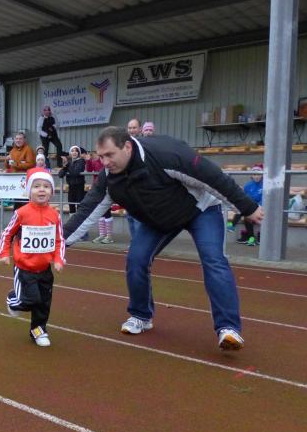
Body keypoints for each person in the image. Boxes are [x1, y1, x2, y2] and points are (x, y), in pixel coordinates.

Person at [62, 126, 263, 350]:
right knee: (136, 259)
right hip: (159, 219)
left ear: (127, 147)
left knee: (214, 260)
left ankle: (228, 328)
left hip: (201, 209)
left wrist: (247, 207)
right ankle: (141, 315)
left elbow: (213, 177)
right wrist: (57, 244)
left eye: (110, 155)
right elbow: (86, 212)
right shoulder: (108, 178)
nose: (105, 162)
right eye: (101, 157)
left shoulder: (166, 154)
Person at [0, 167, 65, 347]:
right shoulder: (21, 213)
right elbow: (7, 234)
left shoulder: (55, 215)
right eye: (36, 186)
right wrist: (4, 253)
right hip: (25, 268)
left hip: (44, 269)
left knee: (43, 304)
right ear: (29, 191)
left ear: (52, 191)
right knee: (30, 300)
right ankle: (13, 299)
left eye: (46, 186)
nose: (41, 190)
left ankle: (39, 331)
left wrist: (58, 259)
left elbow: (59, 239)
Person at [228, 165, 263, 246]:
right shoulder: (248, 185)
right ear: (251, 175)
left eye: (258, 174)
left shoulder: (265, 185)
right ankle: (251, 238)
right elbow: (244, 198)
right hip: (250, 207)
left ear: (262, 175)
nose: (256, 176)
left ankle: (233, 224)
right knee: (246, 213)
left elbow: (264, 199)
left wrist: (257, 207)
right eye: (254, 174)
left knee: (246, 211)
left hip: (261, 207)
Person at [85, 152, 113, 243]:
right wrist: (88, 161)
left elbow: (102, 167)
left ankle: (109, 236)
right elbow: (89, 170)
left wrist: (98, 159)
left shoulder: (105, 163)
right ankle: (102, 235)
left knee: (106, 212)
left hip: (106, 189)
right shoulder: (95, 162)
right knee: (100, 212)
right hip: (98, 188)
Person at [59, 145, 86, 214]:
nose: (74, 152)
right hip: (71, 186)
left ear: (79, 153)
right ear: (70, 153)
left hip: (79, 186)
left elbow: (75, 172)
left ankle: (79, 221)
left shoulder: (81, 161)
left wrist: (67, 165)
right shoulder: (69, 163)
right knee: (71, 206)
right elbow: (60, 174)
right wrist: (64, 166)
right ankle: (72, 220)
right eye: (72, 151)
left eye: (76, 151)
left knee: (79, 206)